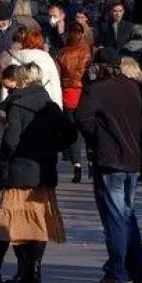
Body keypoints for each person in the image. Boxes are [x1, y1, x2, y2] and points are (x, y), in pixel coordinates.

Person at [0, 63, 75, 283]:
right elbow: (70, 132)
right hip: (42, 171)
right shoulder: (49, 105)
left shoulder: (17, 105)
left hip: (20, 170)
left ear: (21, 81)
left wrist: (2, 152)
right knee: (36, 223)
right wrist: (51, 147)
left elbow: (11, 141)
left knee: (8, 220)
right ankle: (32, 272)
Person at [74, 48, 142, 283]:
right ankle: (137, 270)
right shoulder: (135, 87)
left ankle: (118, 272)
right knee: (127, 215)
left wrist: (98, 138)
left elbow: (81, 118)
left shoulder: (97, 90)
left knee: (115, 218)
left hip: (110, 160)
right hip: (133, 158)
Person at [55, 26, 92, 182]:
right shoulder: (88, 52)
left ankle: (76, 166)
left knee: (73, 133)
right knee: (89, 131)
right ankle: (91, 162)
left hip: (68, 94)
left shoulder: (62, 53)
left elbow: (57, 75)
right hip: (84, 93)